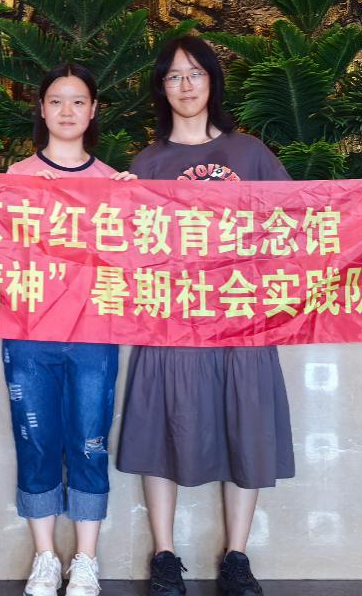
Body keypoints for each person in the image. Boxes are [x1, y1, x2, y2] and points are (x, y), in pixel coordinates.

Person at [114, 36, 294, 596]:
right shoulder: (147, 163)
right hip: (172, 319)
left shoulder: (251, 154)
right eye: (173, 76)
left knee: (247, 428)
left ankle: (237, 556)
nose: (185, 85)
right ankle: (164, 555)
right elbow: (127, 248)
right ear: (161, 88)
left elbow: (298, 221)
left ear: (213, 81)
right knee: (160, 428)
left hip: (241, 316)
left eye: (195, 73)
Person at [3, 65, 119, 596]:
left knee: (90, 442)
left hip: (95, 331)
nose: (66, 111)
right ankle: (46, 557)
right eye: (56, 101)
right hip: (30, 332)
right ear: (42, 109)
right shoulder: (14, 178)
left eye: (77, 101)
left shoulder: (115, 184)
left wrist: (136, 204)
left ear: (93, 110)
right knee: (36, 440)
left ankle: (86, 559)